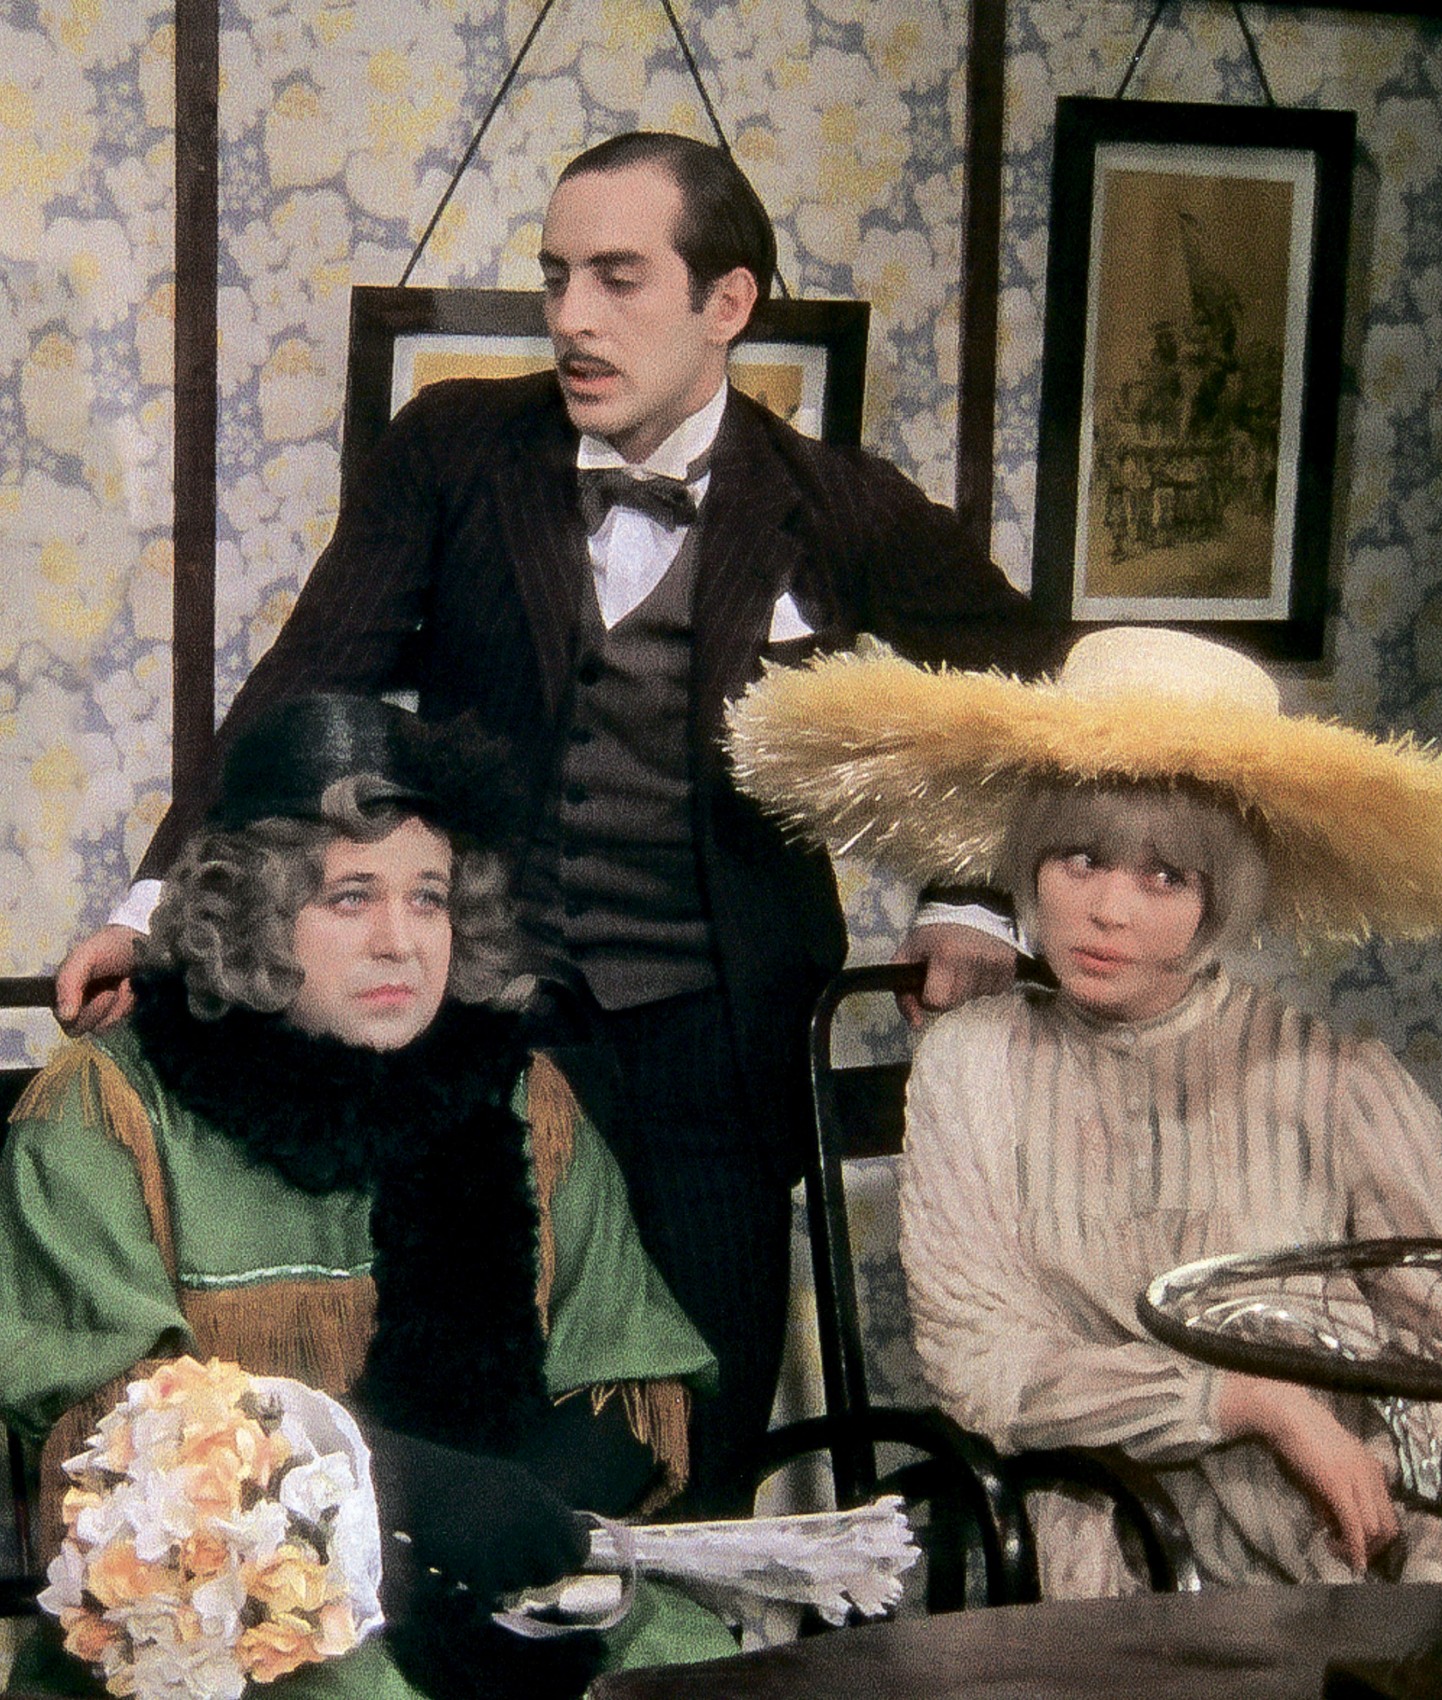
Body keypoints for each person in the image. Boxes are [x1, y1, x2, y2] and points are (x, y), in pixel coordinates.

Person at [52, 131, 1051, 1514]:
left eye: (617, 278)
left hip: (722, 1051)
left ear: (727, 302)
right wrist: (154, 907)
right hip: (492, 1032)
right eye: (556, 276)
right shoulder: (455, 450)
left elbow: (1027, 685)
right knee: (476, 1433)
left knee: (697, 1431)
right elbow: (310, 678)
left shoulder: (832, 502)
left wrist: (969, 899)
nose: (573, 317)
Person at [723, 626, 1442, 1597]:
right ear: (1029, 864)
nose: (1109, 910)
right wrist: (1250, 1400)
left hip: (1352, 1537)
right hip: (1111, 1537)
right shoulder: (973, 1063)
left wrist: (1437, 1570)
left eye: (1165, 876)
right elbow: (983, 1368)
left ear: (1221, 897)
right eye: (1079, 859)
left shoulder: (1340, 1084)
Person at [3, 694, 734, 1695]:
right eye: (351, 897)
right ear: (250, 913)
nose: (401, 941)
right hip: (232, 1614)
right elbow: (122, 1452)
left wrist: (519, 1516)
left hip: (495, 1589)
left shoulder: (520, 1096)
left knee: (700, 1667)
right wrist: (404, 1494)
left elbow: (628, 1369)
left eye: (428, 896)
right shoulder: (108, 1112)